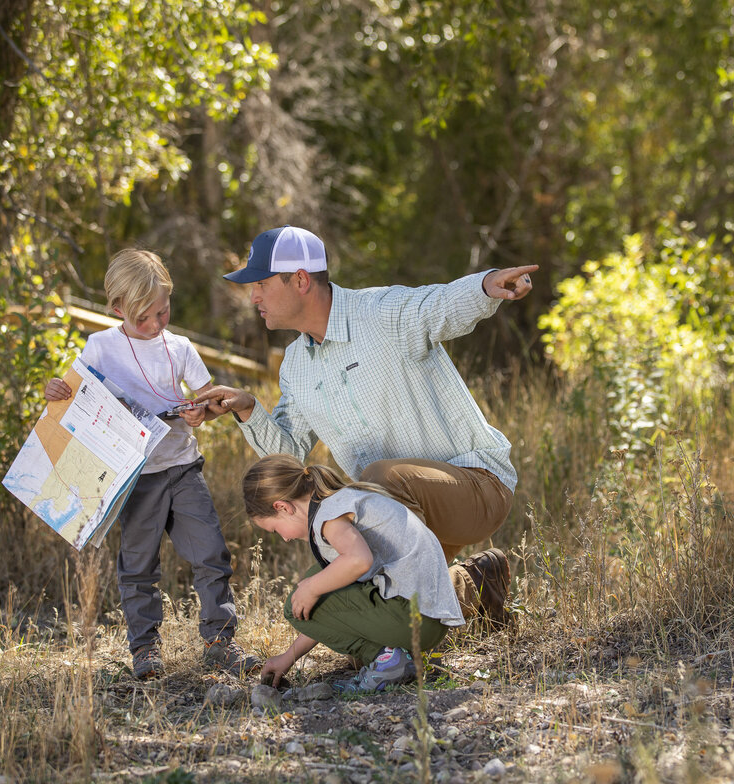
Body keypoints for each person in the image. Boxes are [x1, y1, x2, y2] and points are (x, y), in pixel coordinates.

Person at [196, 225, 537, 628]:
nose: (253, 296)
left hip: (475, 486)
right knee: (347, 617)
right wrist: (249, 409)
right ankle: (476, 582)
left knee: (377, 479)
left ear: (300, 280)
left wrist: (485, 286)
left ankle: (412, 604)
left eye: (262, 283)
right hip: (400, 512)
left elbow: (439, 304)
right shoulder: (295, 366)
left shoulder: (380, 311)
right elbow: (287, 456)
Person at [45, 249, 257, 680]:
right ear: (119, 308)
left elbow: (208, 396)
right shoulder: (101, 348)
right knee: (138, 566)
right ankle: (145, 650)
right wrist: (56, 390)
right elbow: (73, 395)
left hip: (182, 467)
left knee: (211, 552)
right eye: (146, 317)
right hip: (135, 478)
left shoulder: (178, 347)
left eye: (164, 310)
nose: (158, 323)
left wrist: (205, 411)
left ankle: (220, 641)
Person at [244, 454, 465, 692]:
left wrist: (312, 587)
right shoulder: (341, 501)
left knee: (304, 592)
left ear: (283, 507)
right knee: (321, 576)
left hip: (415, 619)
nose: (285, 538)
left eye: (276, 529)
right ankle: (403, 657)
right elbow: (332, 611)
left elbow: (359, 560)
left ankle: (390, 661)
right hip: (430, 620)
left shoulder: (329, 517)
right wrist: (289, 656)